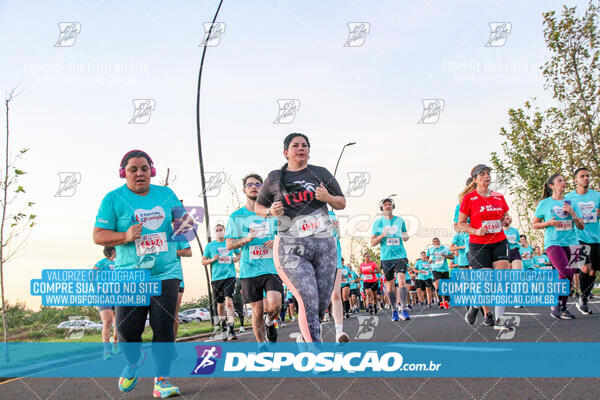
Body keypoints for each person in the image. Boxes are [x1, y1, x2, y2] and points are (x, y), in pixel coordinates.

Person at [93, 150, 188, 397]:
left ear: (152, 171)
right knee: (126, 332)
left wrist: (184, 227)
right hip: (130, 275)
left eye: (144, 168)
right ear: (124, 172)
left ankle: (162, 380)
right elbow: (98, 235)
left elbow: (184, 226)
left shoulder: (166, 195)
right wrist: (125, 236)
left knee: (163, 326)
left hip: (165, 272)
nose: (139, 173)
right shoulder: (112, 199)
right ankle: (134, 362)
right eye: (133, 169)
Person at [254, 133, 346, 344]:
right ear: (286, 152)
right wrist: (269, 211)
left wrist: (328, 198)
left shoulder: (320, 173)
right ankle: (316, 352)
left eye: (305, 145)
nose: (301, 148)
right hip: (291, 245)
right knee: (308, 299)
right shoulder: (275, 178)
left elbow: (341, 202)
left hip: (323, 243)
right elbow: (259, 206)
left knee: (322, 302)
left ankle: (305, 339)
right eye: (295, 145)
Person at [225, 173, 283, 347]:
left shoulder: (271, 214)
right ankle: (261, 346)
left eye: (258, 184)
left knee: (275, 306)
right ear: (244, 190)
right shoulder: (237, 216)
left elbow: (286, 237)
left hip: (271, 268)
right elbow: (229, 244)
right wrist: (246, 239)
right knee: (256, 311)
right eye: (250, 184)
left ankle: (269, 322)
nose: (254, 187)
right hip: (249, 270)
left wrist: (277, 241)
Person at [458, 164, 510, 327]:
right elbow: (460, 224)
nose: (487, 176)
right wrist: (476, 230)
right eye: (482, 174)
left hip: (499, 240)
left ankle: (499, 319)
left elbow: (506, 217)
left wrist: (507, 221)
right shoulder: (469, 198)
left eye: (488, 173)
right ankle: (475, 306)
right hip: (479, 244)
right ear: (475, 180)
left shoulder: (498, 196)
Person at [533, 173, 584, 319]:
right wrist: (549, 223)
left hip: (572, 242)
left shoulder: (571, 202)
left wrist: (572, 212)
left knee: (570, 274)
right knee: (566, 272)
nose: (564, 183)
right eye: (560, 181)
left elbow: (581, 226)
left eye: (564, 180)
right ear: (551, 186)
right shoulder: (544, 203)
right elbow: (535, 224)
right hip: (553, 243)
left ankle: (561, 306)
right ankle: (555, 302)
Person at [566, 167, 600, 314]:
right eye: (582, 176)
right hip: (577, 237)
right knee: (585, 268)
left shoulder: (597, 196)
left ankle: (584, 296)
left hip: (596, 237)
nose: (586, 178)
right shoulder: (569, 198)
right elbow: (564, 216)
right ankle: (580, 297)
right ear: (575, 180)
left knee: (593, 271)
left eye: (587, 175)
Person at [371, 197, 410, 321]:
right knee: (389, 286)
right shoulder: (377, 223)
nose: (387, 206)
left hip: (400, 255)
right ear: (382, 208)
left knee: (402, 280)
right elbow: (372, 242)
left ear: (393, 206)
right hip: (386, 257)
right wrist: (382, 235)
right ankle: (394, 309)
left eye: (389, 204)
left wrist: (405, 236)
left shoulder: (400, 220)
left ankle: (403, 308)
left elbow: (405, 235)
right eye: (385, 205)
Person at [202, 224, 241, 341]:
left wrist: (236, 258)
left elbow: (239, 253)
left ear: (224, 231)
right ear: (215, 232)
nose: (219, 232)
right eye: (217, 230)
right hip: (216, 279)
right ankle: (223, 327)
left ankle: (231, 329)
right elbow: (203, 261)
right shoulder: (210, 246)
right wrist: (212, 259)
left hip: (229, 276)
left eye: (221, 230)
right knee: (220, 305)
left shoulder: (230, 242)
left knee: (229, 302)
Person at [93, 246, 119, 360]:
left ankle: (115, 345)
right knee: (107, 321)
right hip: (103, 296)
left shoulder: (119, 263)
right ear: (113, 251)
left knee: (118, 323)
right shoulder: (102, 263)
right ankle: (106, 351)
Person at [328, 212, 349, 342]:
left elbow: (338, 237)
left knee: (336, 295)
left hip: (335, 259)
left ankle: (339, 333)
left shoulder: (332, 215)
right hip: (317, 262)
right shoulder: (309, 213)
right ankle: (310, 333)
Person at [427, 238, 454, 309]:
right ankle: (441, 301)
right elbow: (427, 258)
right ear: (433, 243)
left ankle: (445, 300)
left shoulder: (445, 249)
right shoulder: (430, 250)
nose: (437, 243)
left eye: (438, 241)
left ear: (440, 242)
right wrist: (429, 261)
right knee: (438, 286)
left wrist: (445, 256)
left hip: (444, 269)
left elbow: (452, 257)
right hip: (435, 269)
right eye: (435, 242)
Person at [173, 240, 192, 337]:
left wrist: (171, 252)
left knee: (172, 313)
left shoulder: (178, 235)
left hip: (175, 279)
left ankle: (172, 345)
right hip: (151, 280)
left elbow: (189, 252)